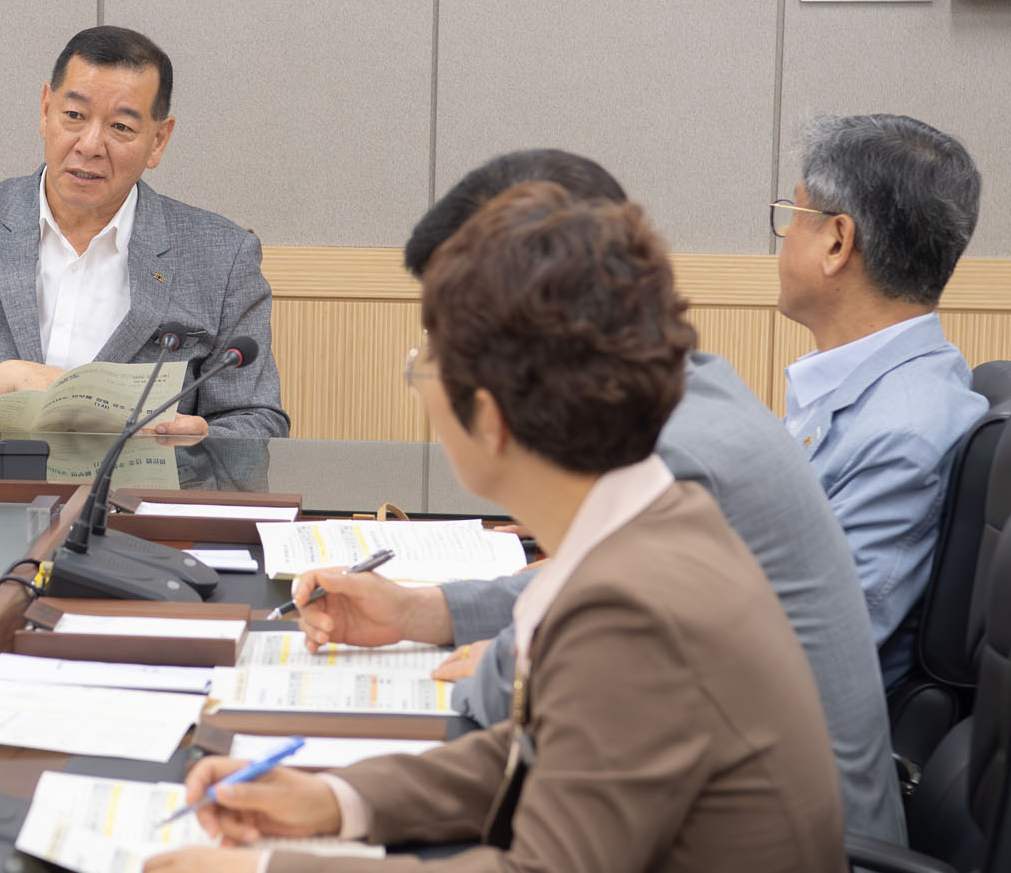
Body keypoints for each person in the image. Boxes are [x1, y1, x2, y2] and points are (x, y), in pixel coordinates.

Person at [149, 183, 845, 872]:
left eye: (427, 362)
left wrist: (267, 871)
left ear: (490, 416)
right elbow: (533, 753)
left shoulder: (631, 606)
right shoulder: (647, 516)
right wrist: (337, 799)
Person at [291, 149, 904, 843]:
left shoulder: (669, 487)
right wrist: (341, 798)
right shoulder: (666, 442)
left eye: (440, 347)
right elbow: (532, 745)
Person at [0, 26, 289, 438]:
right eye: (74, 116)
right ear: (45, 110)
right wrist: (5, 381)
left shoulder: (222, 258)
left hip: (133, 487)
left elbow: (258, 421)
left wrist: (205, 441)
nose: (90, 145)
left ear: (158, 140)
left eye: (120, 127)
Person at [774, 113, 986, 686]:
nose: (784, 235)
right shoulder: (874, 391)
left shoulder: (905, 435)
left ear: (837, 241)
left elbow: (809, 652)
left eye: (792, 214)